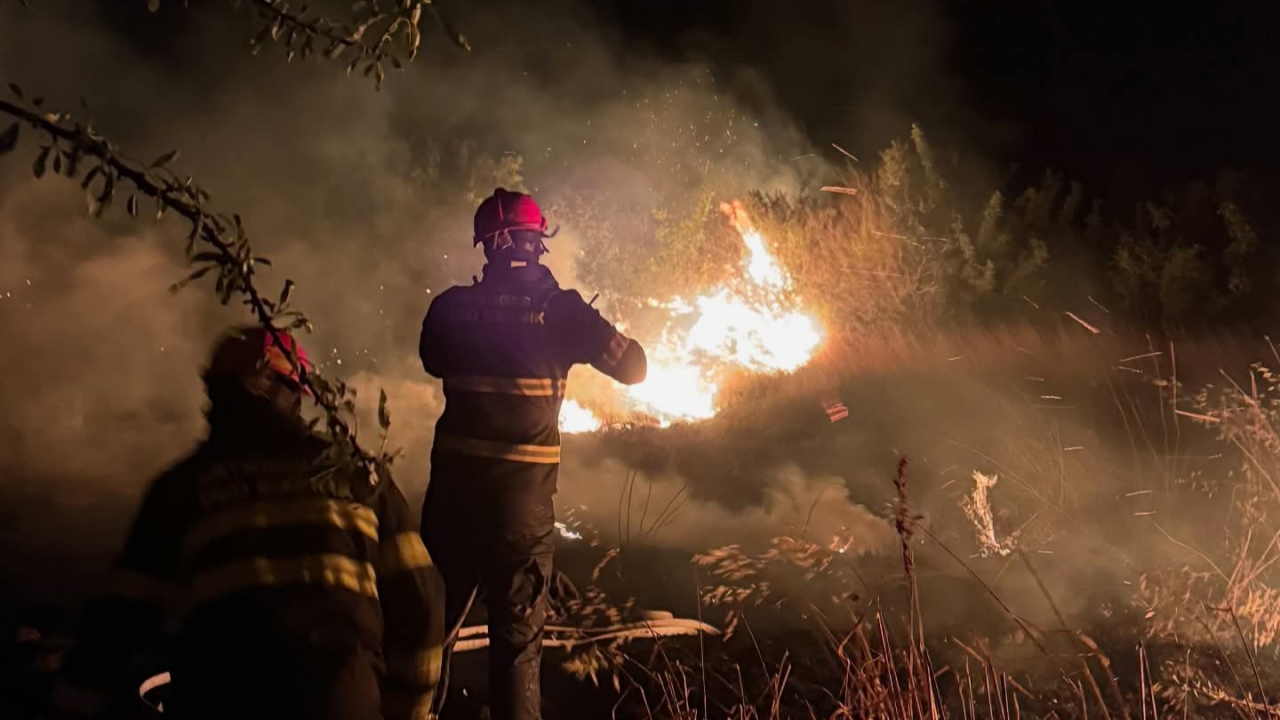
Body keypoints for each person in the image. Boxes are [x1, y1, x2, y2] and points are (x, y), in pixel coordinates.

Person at [51, 325, 445, 720]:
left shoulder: (183, 490)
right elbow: (422, 603)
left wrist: (70, 703)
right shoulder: (361, 478)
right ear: (293, 394)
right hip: (342, 703)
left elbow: (117, 623)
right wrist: (408, 710)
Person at [419, 188, 646, 720]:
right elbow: (634, 368)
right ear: (537, 241)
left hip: (452, 503)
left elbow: (432, 359)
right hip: (521, 510)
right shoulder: (561, 310)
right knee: (518, 648)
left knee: (428, 636)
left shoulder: (450, 307)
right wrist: (583, 324)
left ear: (488, 244)